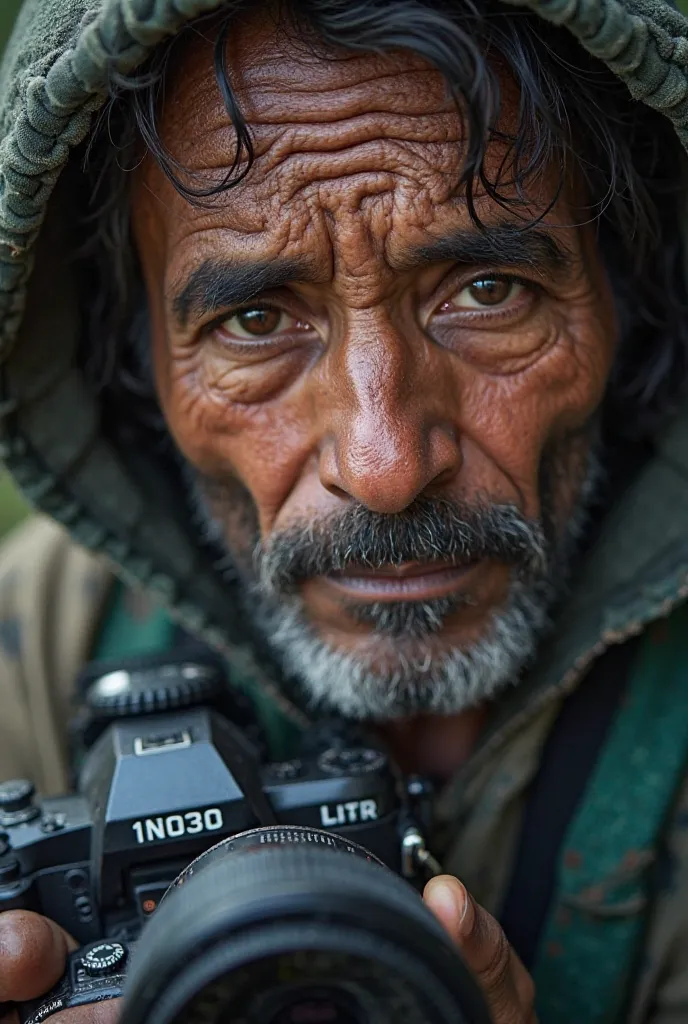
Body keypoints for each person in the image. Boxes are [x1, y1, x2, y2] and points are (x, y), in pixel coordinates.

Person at [1, 0, 688, 1019]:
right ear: (133, 361)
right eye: (255, 318)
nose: (385, 465)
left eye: (488, 291)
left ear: (632, 298)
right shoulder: (32, 652)